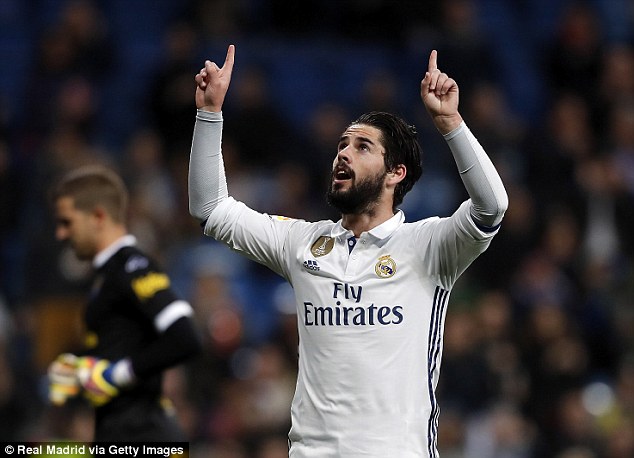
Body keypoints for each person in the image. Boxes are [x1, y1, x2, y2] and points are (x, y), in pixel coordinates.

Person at [188, 45, 508, 457]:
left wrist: (451, 124)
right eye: (342, 144)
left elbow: (492, 207)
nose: (342, 152)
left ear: (396, 173)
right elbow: (210, 208)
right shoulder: (301, 243)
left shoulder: (428, 246)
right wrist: (209, 112)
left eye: (362, 147)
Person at [47, 165, 201, 442]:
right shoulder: (105, 276)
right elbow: (121, 347)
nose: (61, 234)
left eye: (67, 222)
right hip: (121, 432)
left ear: (98, 217)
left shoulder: (132, 267)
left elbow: (186, 337)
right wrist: (79, 368)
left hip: (145, 434)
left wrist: (118, 374)